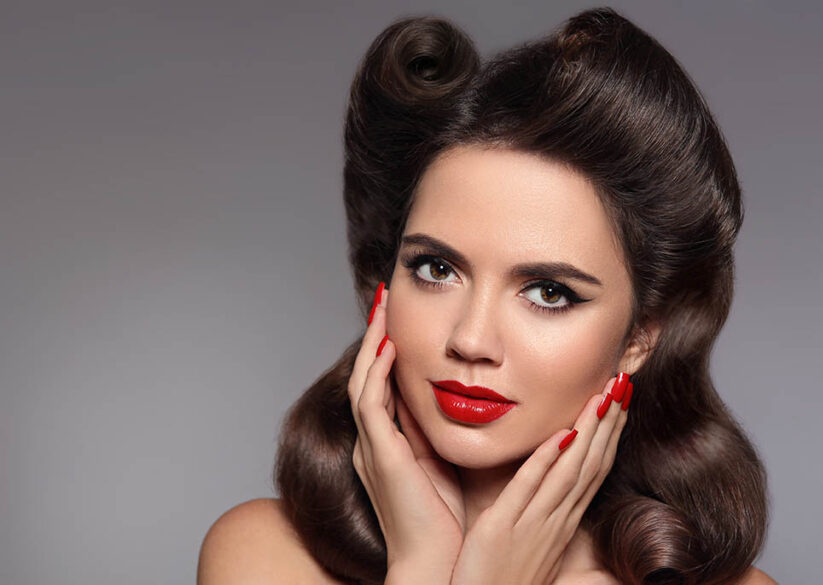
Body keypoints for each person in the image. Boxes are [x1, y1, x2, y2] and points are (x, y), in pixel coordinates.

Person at [199, 7, 775, 585]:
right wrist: (422, 568)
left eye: (549, 292)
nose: (471, 340)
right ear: (386, 283)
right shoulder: (264, 556)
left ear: (641, 337)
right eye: (436, 268)